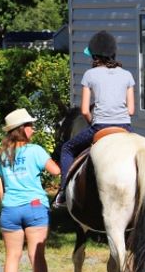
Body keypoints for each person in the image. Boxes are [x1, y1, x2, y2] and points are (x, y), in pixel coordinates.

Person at [54, 30, 135, 208]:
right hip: (125, 128)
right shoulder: (127, 75)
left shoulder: (89, 75)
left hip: (100, 127)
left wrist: (94, 123)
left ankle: (63, 193)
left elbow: (84, 110)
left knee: (67, 149)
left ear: (95, 55)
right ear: (113, 53)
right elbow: (131, 110)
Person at [0, 108, 61, 272]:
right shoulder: (36, 151)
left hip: (10, 210)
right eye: (29, 125)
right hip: (34, 207)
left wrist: (8, 204)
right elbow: (56, 171)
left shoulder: (2, 155)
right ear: (21, 129)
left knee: (12, 255)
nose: (33, 128)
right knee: (36, 255)